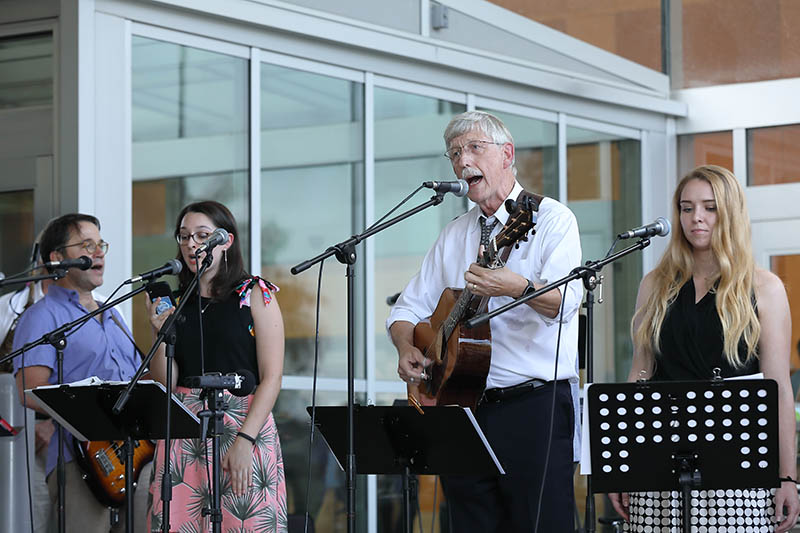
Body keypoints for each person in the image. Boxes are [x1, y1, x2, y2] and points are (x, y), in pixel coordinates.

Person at [387, 111, 583, 532]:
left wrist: (514, 286)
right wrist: (407, 347)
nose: (463, 161)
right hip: (463, 409)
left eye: (475, 148)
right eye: (455, 153)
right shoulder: (455, 233)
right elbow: (405, 311)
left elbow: (565, 303)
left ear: (507, 154)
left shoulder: (551, 220)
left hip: (534, 406)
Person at [609, 165, 800, 532]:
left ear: (730, 212)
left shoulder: (764, 287)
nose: (696, 217)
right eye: (686, 207)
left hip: (737, 461)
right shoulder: (655, 284)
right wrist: (623, 466)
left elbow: (779, 389)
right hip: (658, 455)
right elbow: (641, 374)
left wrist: (787, 477)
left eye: (710, 207)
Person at [145, 200, 287, 532]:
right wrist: (159, 332)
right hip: (185, 427)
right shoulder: (177, 304)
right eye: (183, 237)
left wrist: (245, 440)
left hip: (242, 422)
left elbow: (272, 377)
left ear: (226, 242)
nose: (191, 244)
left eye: (201, 235)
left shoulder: (254, 293)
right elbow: (167, 381)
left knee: (246, 522)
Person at [12, 213, 142, 532]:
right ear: (57, 259)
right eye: (86, 245)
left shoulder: (113, 313)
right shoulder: (42, 315)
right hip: (79, 458)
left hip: (136, 456)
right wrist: (91, 411)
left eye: (100, 245)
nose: (98, 252)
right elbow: (29, 390)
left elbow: (140, 379)